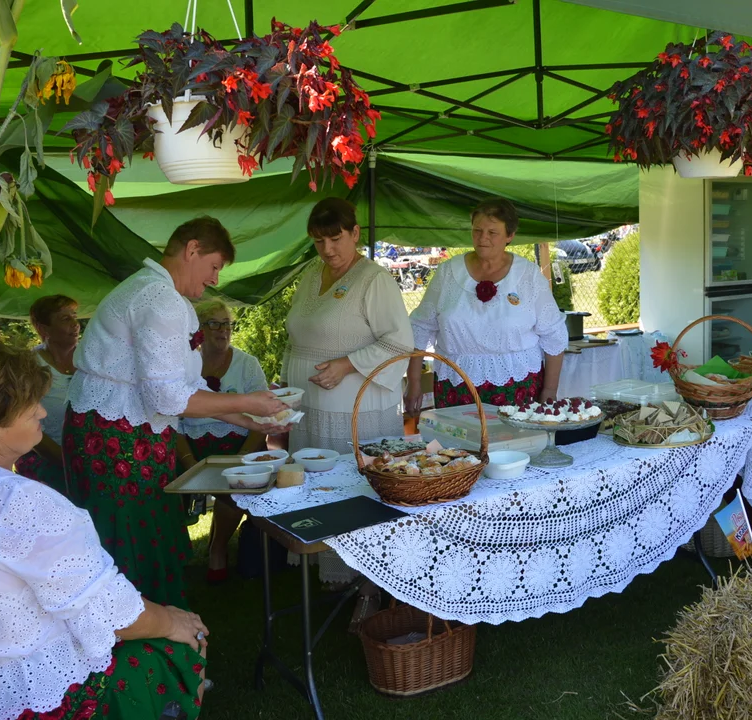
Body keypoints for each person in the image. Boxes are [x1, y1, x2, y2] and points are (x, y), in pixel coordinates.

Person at [0, 345, 209, 720]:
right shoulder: (18, 503)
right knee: (188, 642)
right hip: (36, 699)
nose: (41, 411)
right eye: (30, 407)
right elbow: (115, 615)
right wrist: (172, 621)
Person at [64, 217, 287, 605]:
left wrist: (252, 421)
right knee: (129, 539)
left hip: (117, 430)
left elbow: (188, 389)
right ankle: (142, 634)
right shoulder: (159, 298)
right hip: (115, 437)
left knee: (139, 535)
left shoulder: (157, 293)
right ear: (192, 250)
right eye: (215, 266)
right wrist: (248, 401)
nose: (215, 279)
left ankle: (153, 629)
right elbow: (169, 398)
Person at [405, 198, 568, 413]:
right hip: (456, 385)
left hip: (516, 385)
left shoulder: (528, 275)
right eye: (477, 230)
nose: (482, 238)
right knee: (458, 446)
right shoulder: (448, 273)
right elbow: (420, 327)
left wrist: (550, 389)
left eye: (492, 232)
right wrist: (414, 382)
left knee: (515, 445)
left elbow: (553, 336)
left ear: (510, 236)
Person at [282, 198, 414, 453]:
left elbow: (400, 342)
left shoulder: (374, 279)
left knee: (354, 479)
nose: (327, 249)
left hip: (354, 411)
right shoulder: (311, 275)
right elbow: (295, 337)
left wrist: (347, 365)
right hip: (308, 407)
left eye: (335, 239)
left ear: (355, 234)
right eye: (319, 241)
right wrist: (285, 385)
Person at [177, 298, 270, 584]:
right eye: (214, 323)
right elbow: (171, 422)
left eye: (227, 324)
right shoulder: (184, 364)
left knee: (237, 483)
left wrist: (241, 456)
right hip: (190, 445)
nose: (223, 330)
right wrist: (190, 462)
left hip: (240, 442)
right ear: (199, 330)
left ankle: (217, 548)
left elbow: (264, 416)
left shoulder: (247, 364)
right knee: (159, 481)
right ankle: (173, 556)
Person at [15, 294, 80, 495]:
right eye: (65, 319)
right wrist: (68, 463)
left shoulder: (90, 359)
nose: (75, 324)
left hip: (89, 454)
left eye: (75, 316)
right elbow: (23, 422)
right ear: (44, 329)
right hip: (45, 456)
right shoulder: (28, 365)